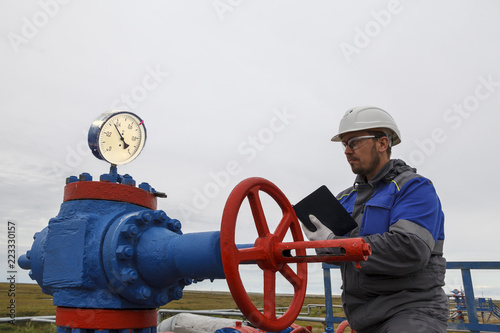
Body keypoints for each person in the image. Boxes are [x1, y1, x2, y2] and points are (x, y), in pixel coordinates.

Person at [302, 106, 448, 333]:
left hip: (411, 311)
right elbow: (333, 257)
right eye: (344, 144)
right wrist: (323, 243)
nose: (346, 151)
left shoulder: (414, 188)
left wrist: (335, 242)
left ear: (382, 144)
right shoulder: (345, 198)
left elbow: (409, 248)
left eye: (354, 143)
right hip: (362, 317)